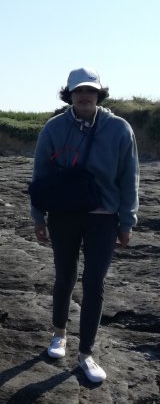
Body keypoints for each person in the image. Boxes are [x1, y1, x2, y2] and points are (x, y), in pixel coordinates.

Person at [31, 67, 139, 383]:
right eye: (78, 90)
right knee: (65, 276)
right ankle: (59, 335)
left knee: (94, 283)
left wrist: (127, 221)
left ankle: (86, 354)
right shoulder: (53, 128)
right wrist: (38, 217)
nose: (84, 95)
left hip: (103, 217)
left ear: (99, 94)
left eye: (90, 90)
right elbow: (40, 176)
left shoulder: (119, 128)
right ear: (69, 94)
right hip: (63, 214)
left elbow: (129, 178)